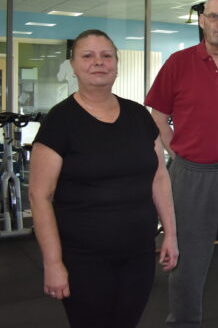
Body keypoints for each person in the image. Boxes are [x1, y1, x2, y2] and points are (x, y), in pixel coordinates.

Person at [29, 29, 179, 328]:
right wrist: (52, 263)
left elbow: (159, 177)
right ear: (73, 65)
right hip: (83, 258)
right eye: (88, 56)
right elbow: (39, 196)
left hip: (137, 253)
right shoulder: (60, 121)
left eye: (106, 55)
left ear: (116, 63)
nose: (98, 62)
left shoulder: (139, 116)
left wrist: (171, 235)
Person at [145, 0, 218, 328]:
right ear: (202, 21)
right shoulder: (178, 63)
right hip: (191, 176)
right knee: (188, 265)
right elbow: (158, 114)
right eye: (215, 17)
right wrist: (174, 151)